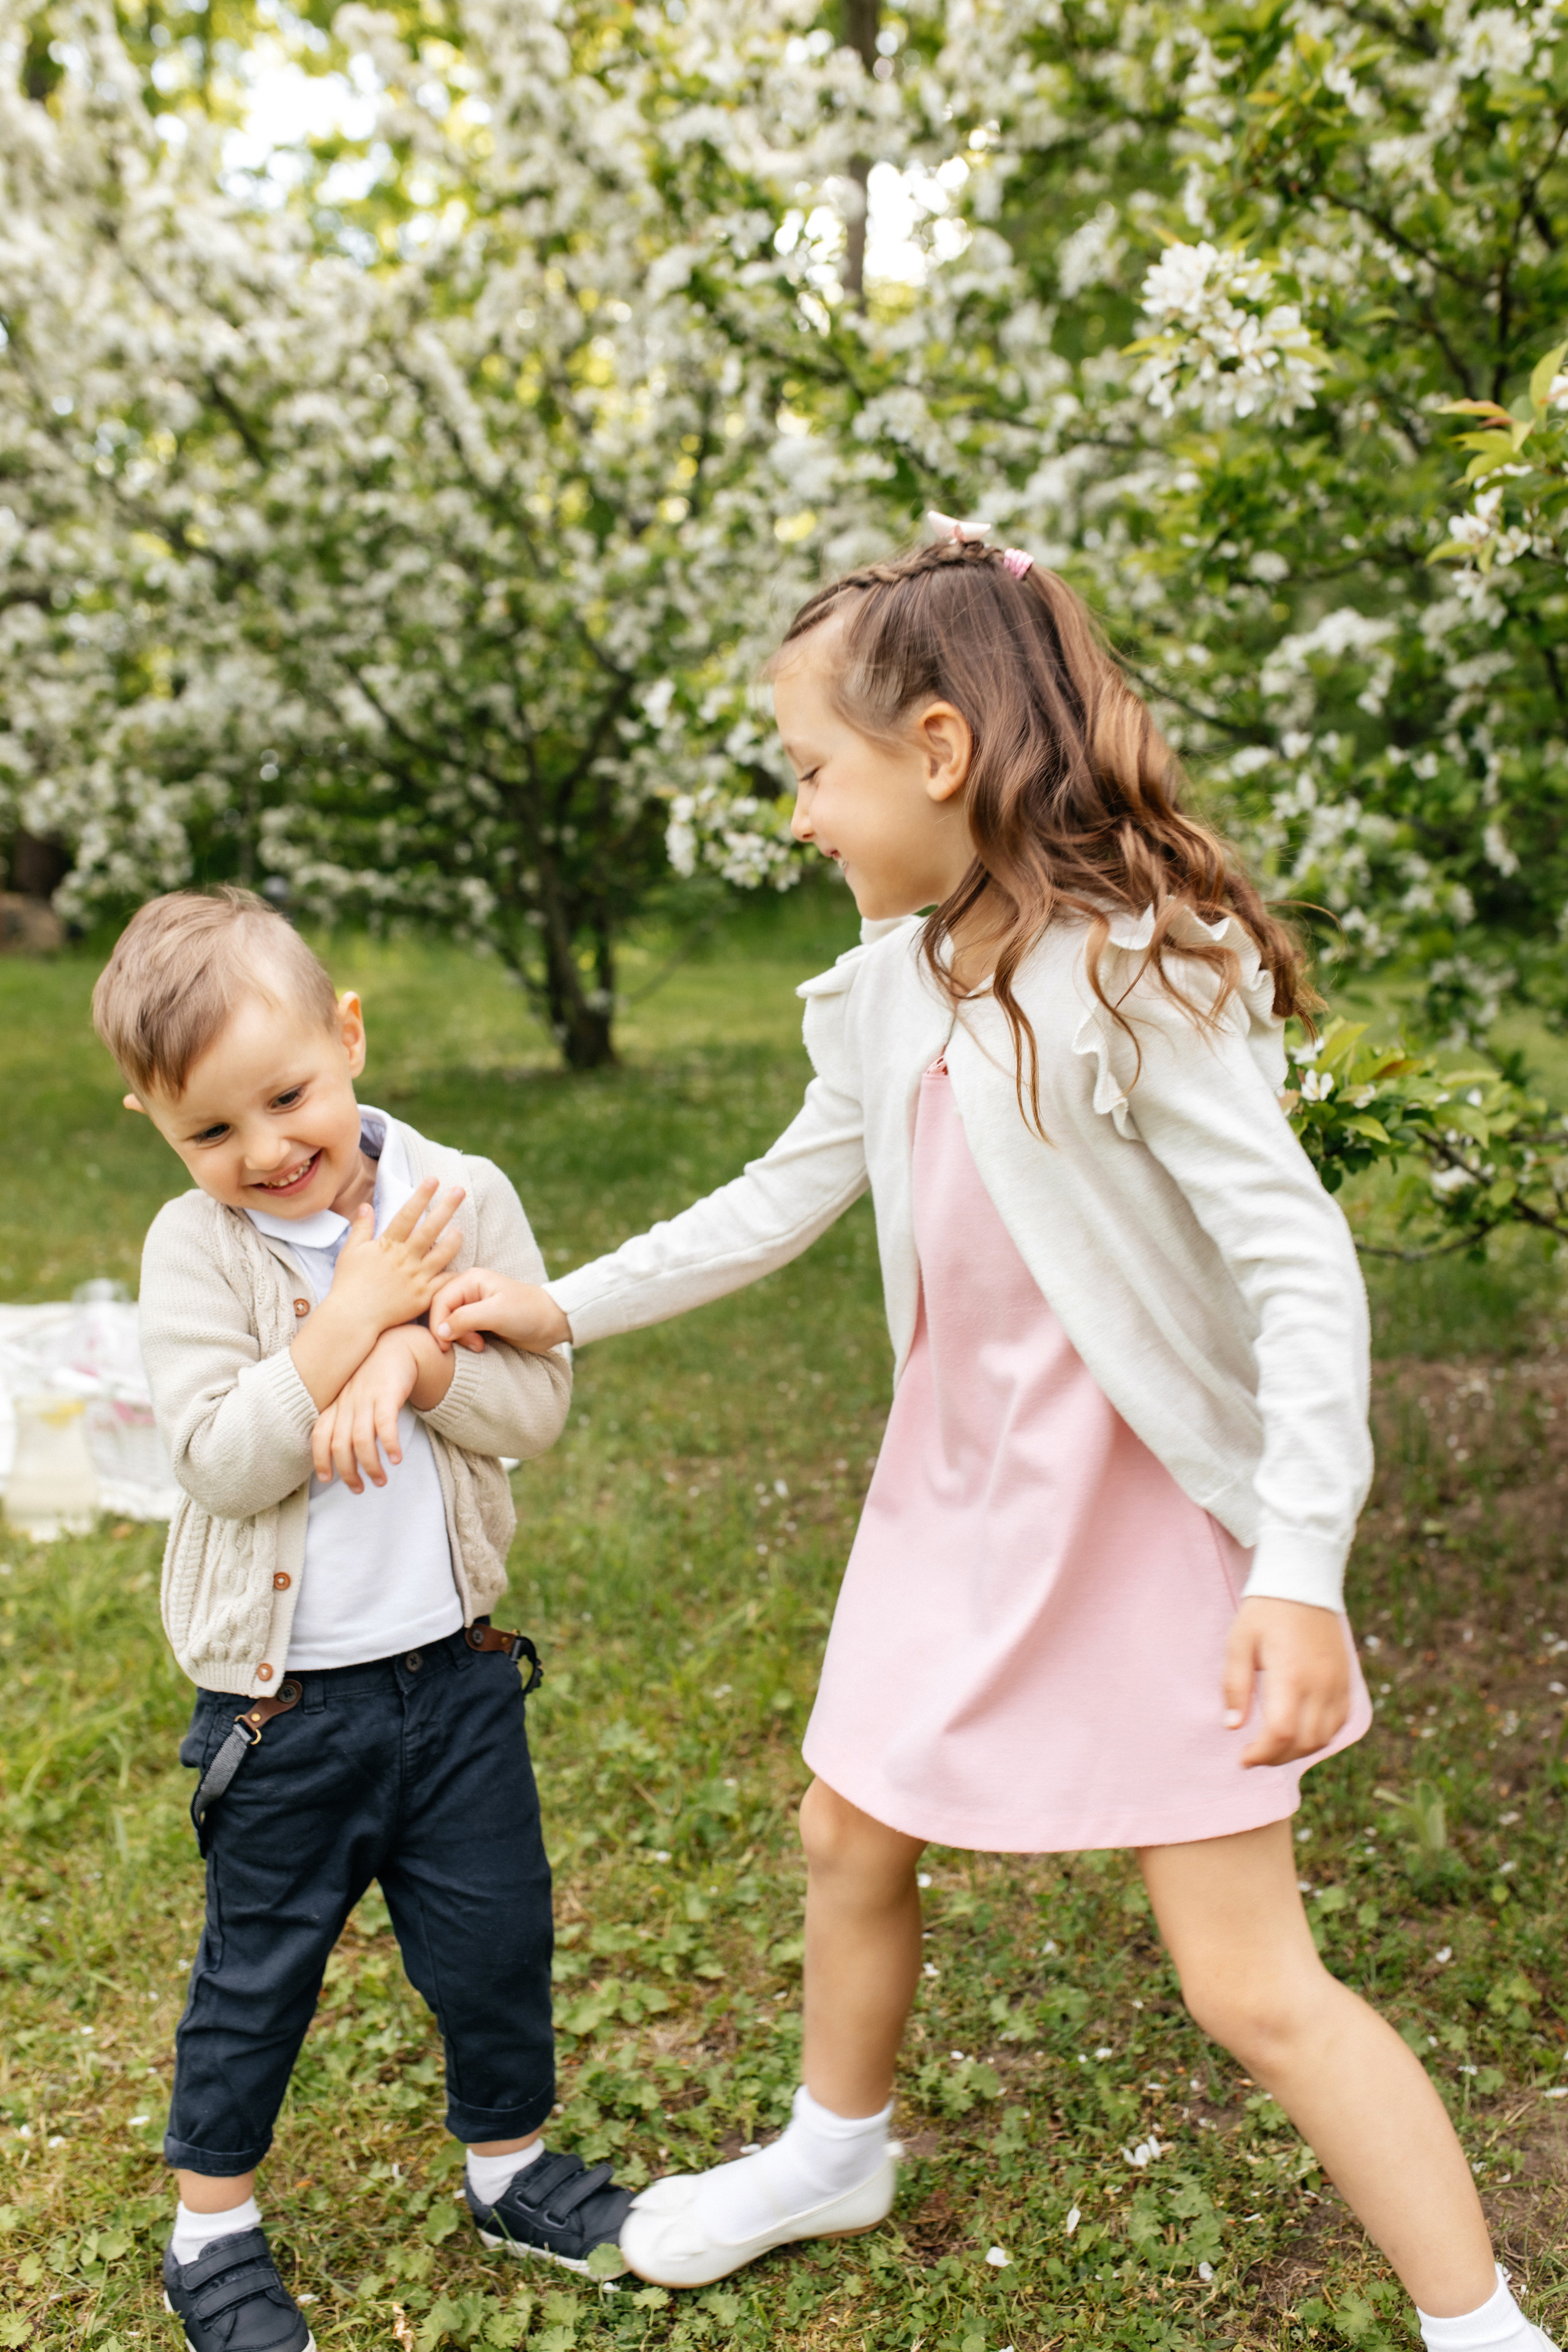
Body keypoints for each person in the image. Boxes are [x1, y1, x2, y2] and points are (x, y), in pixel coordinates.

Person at [427, 530, 1555, 2351]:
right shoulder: (892, 979)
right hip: (948, 1505)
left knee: (1249, 1985)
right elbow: (782, 1190)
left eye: (813, 770)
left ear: (938, 753)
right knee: (846, 1831)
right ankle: (834, 2148)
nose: (801, 817)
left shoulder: (1138, 974)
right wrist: (562, 1304)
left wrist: (1296, 1568)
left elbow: (1300, 1271)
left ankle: (1477, 2320)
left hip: (1146, 1526)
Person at [93, 889, 630, 2352]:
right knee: (257, 1970)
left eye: (287, 1098)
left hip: (454, 1677)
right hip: (285, 1710)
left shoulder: (459, 1196)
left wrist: (415, 1361)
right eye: (210, 1130)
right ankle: (210, 2234)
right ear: (154, 1122)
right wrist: (355, 1321)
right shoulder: (197, 1248)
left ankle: (508, 2171)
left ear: (348, 1037)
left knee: (496, 1938)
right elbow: (219, 1457)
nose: (265, 1151)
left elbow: (533, 1405)